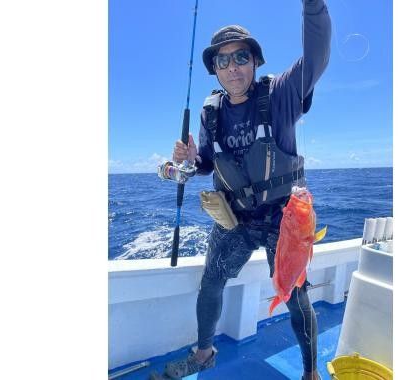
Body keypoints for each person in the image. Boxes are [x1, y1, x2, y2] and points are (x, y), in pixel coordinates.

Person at [164, 1, 331, 379]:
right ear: (214, 70)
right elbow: (207, 163)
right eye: (222, 61)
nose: (232, 67)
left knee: (295, 294)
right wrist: (191, 159)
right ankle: (204, 352)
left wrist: (313, 6)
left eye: (240, 56)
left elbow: (316, 57)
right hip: (235, 218)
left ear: (254, 61)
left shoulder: (280, 94)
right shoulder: (210, 112)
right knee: (212, 281)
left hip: (282, 218)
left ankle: (310, 373)